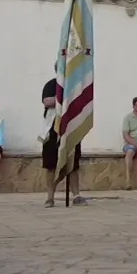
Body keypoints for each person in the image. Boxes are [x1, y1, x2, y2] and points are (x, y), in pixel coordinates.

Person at [41, 78, 85, 207]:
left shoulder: (75, 85)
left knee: (73, 163)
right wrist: (64, 98)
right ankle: (50, 197)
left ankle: (76, 195)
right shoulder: (51, 84)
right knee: (50, 164)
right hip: (52, 129)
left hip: (71, 128)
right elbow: (47, 101)